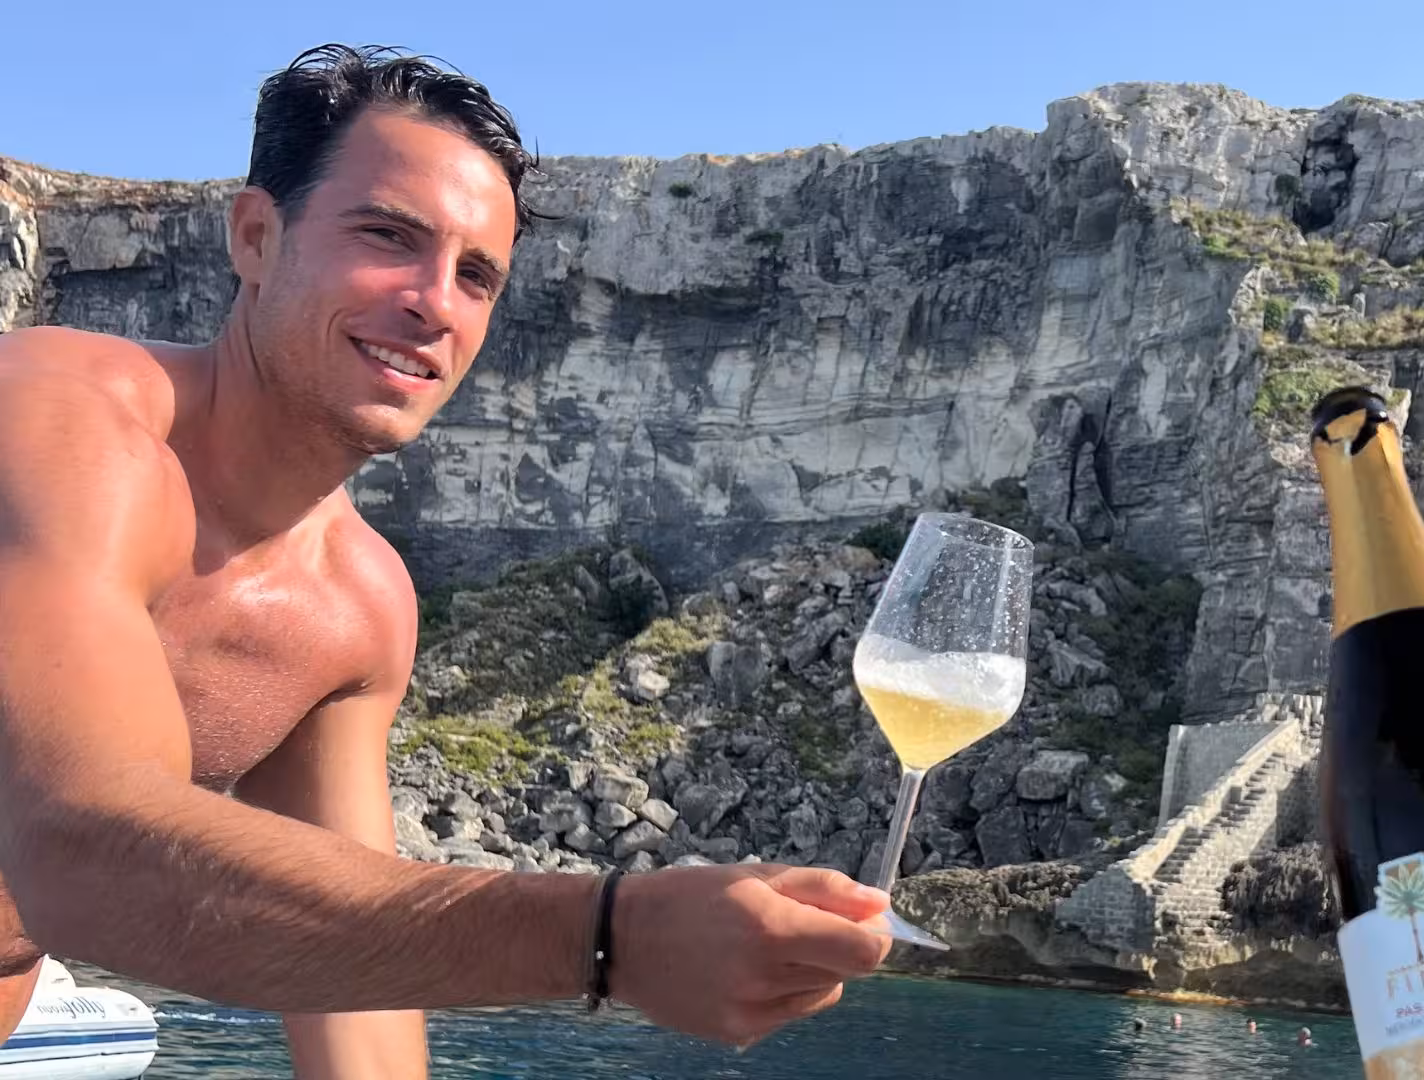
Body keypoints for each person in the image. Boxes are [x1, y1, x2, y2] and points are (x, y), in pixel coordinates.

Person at [0, 43, 890, 1076]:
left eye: (477, 276)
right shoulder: (55, 419)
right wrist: (609, 938)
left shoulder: (355, 608)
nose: (435, 302)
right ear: (256, 237)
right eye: (388, 236)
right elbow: (78, 851)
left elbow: (358, 1012)